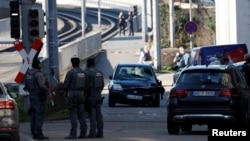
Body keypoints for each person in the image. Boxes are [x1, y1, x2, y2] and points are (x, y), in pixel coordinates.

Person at [24, 58, 52, 140]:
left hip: (31, 96)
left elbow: (26, 85)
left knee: (33, 115)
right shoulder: (38, 74)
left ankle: (33, 132)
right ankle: (38, 133)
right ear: (38, 65)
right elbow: (42, 86)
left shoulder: (28, 73)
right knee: (39, 115)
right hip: (39, 96)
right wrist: (48, 92)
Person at [63, 56, 88, 139]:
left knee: (73, 114)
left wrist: (65, 93)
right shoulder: (83, 72)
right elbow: (86, 85)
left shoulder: (71, 72)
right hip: (81, 94)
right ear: (79, 63)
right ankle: (83, 133)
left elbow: (66, 85)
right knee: (81, 115)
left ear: (72, 63)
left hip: (73, 95)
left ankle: (73, 134)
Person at [84, 58, 104, 138]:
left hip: (90, 97)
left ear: (87, 64)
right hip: (98, 96)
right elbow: (102, 85)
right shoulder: (99, 72)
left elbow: (85, 86)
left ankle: (92, 133)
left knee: (92, 115)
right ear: (94, 64)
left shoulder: (87, 73)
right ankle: (100, 133)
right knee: (99, 116)